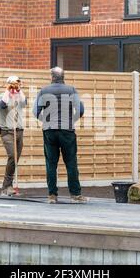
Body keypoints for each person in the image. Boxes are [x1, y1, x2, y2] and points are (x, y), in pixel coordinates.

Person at [33, 67, 87, 204]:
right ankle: (75, 195)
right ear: (63, 76)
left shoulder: (43, 91)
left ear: (52, 77)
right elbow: (80, 110)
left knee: (51, 163)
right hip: (67, 131)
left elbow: (35, 112)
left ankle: (52, 195)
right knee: (71, 163)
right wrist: (71, 120)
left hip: (49, 131)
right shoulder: (71, 90)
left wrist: (46, 121)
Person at [0, 76, 27, 196]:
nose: (14, 87)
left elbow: (25, 102)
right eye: (12, 84)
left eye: (16, 84)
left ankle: (7, 185)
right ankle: (6, 187)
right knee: (12, 157)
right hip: (7, 132)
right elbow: (2, 105)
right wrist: (8, 90)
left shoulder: (19, 98)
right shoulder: (0, 97)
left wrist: (19, 90)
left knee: (15, 159)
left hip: (19, 131)